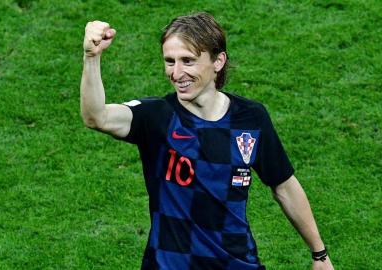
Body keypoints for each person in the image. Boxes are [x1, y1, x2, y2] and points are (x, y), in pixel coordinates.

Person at [81, 12, 334, 270]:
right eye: (170, 61)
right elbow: (96, 117)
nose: (177, 73)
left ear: (218, 61)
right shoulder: (157, 117)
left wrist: (320, 255)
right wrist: (92, 57)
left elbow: (284, 186)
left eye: (188, 61)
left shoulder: (250, 119)